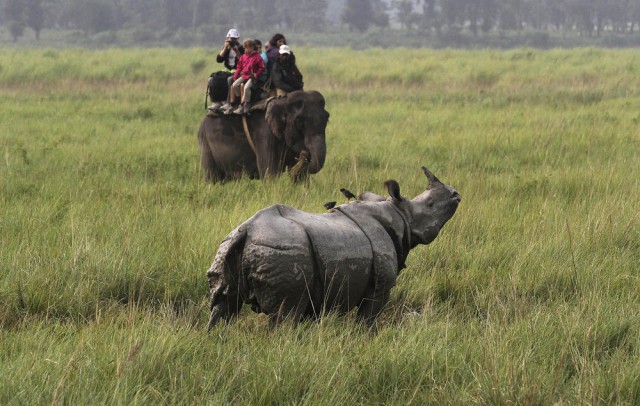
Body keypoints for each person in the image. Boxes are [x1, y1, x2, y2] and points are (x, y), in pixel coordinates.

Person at [222, 39, 265, 115]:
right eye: (245, 48)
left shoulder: (257, 57)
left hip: (252, 77)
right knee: (235, 85)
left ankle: (247, 103)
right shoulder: (243, 57)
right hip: (244, 75)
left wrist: (257, 74)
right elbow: (239, 67)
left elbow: (262, 67)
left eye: (246, 48)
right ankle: (240, 99)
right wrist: (235, 75)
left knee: (246, 87)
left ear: (251, 48)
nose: (245, 49)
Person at [210, 28, 245, 111]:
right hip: (227, 70)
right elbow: (219, 60)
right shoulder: (226, 48)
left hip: (237, 70)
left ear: (237, 39)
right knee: (215, 77)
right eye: (230, 39)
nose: (231, 41)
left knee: (229, 79)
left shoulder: (240, 48)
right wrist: (225, 48)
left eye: (233, 39)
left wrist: (236, 51)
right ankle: (217, 102)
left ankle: (228, 102)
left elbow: (243, 62)